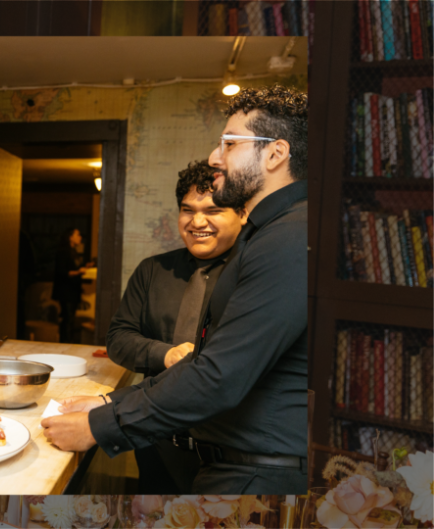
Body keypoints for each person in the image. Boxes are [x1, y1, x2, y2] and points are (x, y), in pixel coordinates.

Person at [41, 84, 309, 493]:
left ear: (275, 153)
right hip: (221, 460)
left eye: (229, 143)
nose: (214, 156)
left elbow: (219, 376)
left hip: (259, 473)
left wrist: (101, 424)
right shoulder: (267, 234)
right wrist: (110, 402)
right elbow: (198, 360)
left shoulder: (290, 237)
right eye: (188, 210)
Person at [107, 159, 246, 493]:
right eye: (187, 210)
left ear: (241, 214)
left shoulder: (253, 276)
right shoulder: (153, 270)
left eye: (213, 210)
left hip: (229, 450)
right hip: (155, 438)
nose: (197, 222)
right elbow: (119, 338)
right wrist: (166, 354)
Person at [51, 228, 91, 344]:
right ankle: (65, 342)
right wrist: (79, 272)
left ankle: (68, 341)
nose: (80, 237)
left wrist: (85, 267)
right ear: (70, 237)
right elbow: (63, 272)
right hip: (65, 291)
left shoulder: (73, 251)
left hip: (72, 290)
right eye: (77, 235)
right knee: (67, 318)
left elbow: (74, 267)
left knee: (70, 318)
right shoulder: (63, 251)